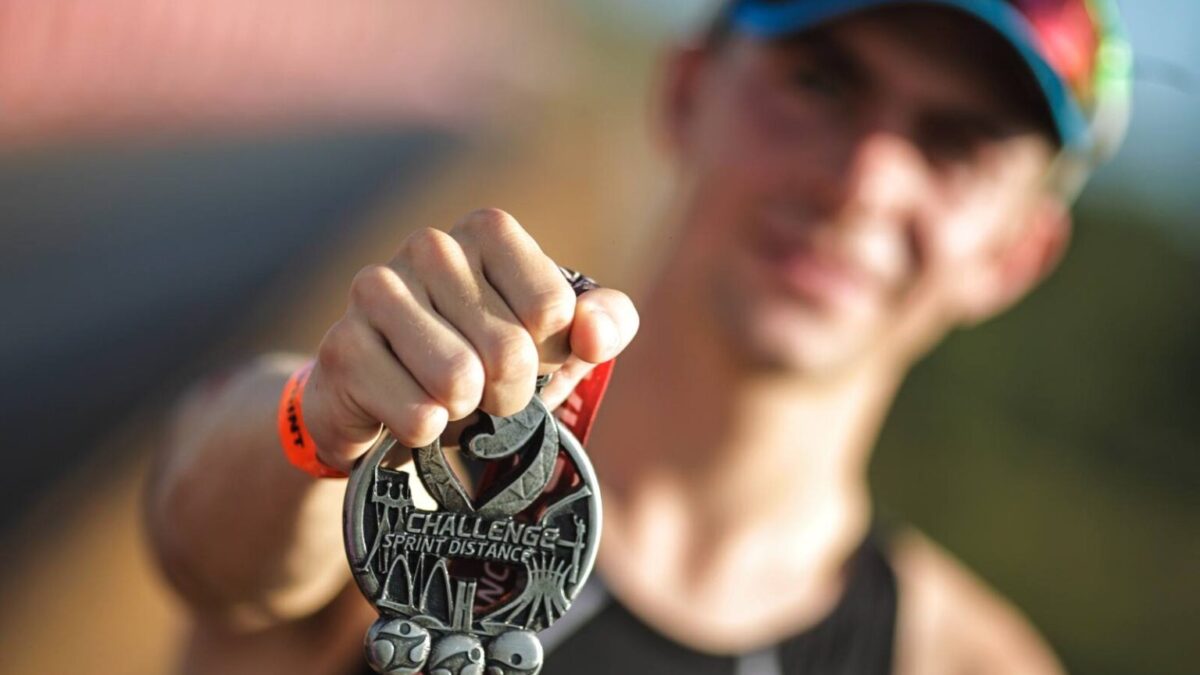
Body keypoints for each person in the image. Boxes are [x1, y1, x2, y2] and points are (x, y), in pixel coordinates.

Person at [145, 1, 1132, 673]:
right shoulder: (418, 469)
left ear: (1018, 254)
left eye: (954, 144)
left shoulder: (965, 662)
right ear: (685, 92)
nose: (863, 182)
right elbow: (210, 547)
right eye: (822, 84)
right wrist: (319, 423)